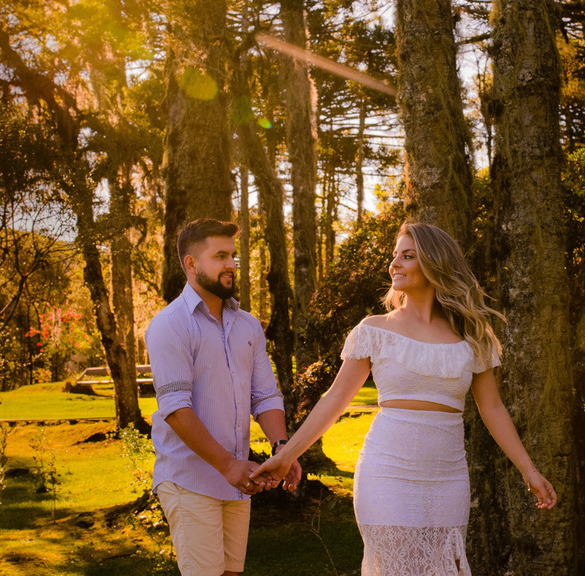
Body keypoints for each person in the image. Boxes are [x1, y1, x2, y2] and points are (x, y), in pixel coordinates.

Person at [254, 222, 557, 575]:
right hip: (386, 472)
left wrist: (529, 471)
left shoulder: (473, 336)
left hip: (448, 479)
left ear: (435, 262)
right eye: (395, 256)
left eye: (407, 256)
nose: (394, 264)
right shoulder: (374, 330)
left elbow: (492, 408)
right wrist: (286, 454)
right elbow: (335, 399)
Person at [146, 218, 302, 576]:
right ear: (191, 264)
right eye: (220, 256)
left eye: (233, 256)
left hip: (237, 483)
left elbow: (265, 396)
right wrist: (229, 466)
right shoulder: (170, 325)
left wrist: (282, 449)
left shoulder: (247, 324)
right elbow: (175, 408)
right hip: (190, 479)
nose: (232, 264)